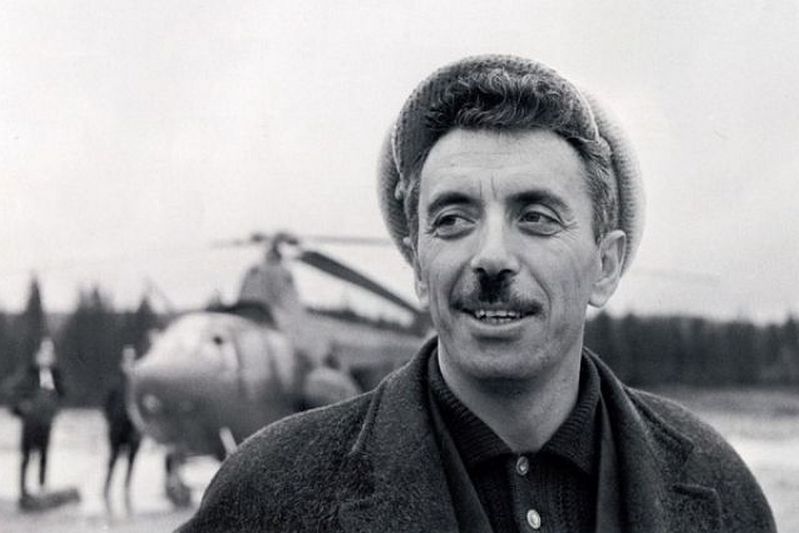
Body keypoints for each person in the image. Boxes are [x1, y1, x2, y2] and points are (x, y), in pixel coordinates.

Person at [178, 55, 775, 532]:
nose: (490, 257)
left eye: (536, 217)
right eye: (453, 219)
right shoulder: (267, 491)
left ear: (606, 265)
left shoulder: (717, 482)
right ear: (418, 265)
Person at [11, 337, 65, 508]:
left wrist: (55, 410)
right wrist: (22, 409)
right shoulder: (28, 373)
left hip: (46, 422)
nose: (47, 356)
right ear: (37, 354)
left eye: (50, 353)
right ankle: (22, 490)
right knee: (26, 456)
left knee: (44, 455)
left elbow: (63, 395)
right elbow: (14, 393)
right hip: (30, 423)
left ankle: (41, 488)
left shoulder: (56, 375)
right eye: (44, 352)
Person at [102, 345, 142, 503]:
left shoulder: (140, 382)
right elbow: (106, 405)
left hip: (134, 427)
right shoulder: (115, 381)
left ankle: (126, 488)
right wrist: (111, 421)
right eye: (127, 359)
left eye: (132, 359)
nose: (129, 362)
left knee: (132, 459)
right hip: (117, 426)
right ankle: (106, 488)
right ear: (122, 361)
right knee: (113, 458)